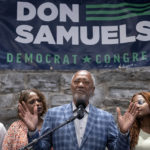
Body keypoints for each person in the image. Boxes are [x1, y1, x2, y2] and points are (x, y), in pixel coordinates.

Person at [19, 70, 138, 150]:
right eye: (76, 81)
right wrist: (33, 131)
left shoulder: (105, 118)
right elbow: (41, 148)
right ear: (71, 87)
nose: (80, 85)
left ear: (92, 89)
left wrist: (123, 133)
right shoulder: (53, 114)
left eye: (86, 82)